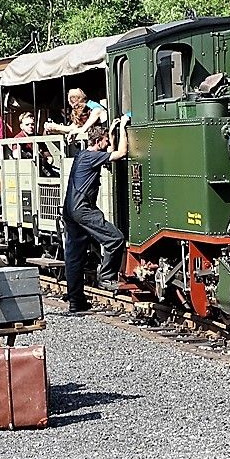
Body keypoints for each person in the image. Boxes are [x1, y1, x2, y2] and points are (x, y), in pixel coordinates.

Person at [62, 116, 129, 312]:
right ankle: (107, 277)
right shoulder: (92, 157)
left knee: (75, 257)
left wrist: (113, 132)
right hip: (83, 208)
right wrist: (124, 127)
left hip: (69, 209)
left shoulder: (83, 155)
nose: (108, 142)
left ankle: (76, 302)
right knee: (115, 239)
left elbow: (109, 152)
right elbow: (121, 153)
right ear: (98, 140)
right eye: (106, 139)